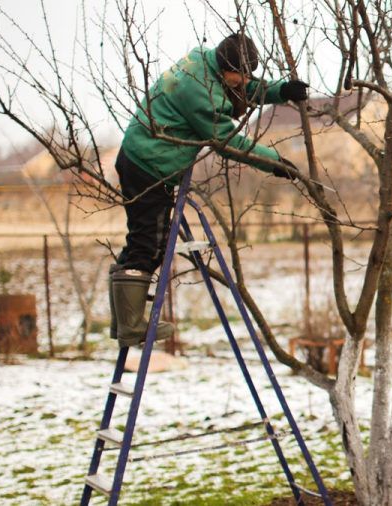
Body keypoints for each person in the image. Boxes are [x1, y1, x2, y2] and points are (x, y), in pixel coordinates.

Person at [109, 33, 307, 347]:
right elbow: (228, 142)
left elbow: (238, 88)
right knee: (148, 243)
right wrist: (274, 162)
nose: (244, 81)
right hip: (149, 165)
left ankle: (122, 322)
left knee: (142, 239)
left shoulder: (206, 60)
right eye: (240, 74)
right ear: (225, 66)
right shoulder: (199, 92)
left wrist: (280, 91)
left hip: (144, 157)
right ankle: (131, 326)